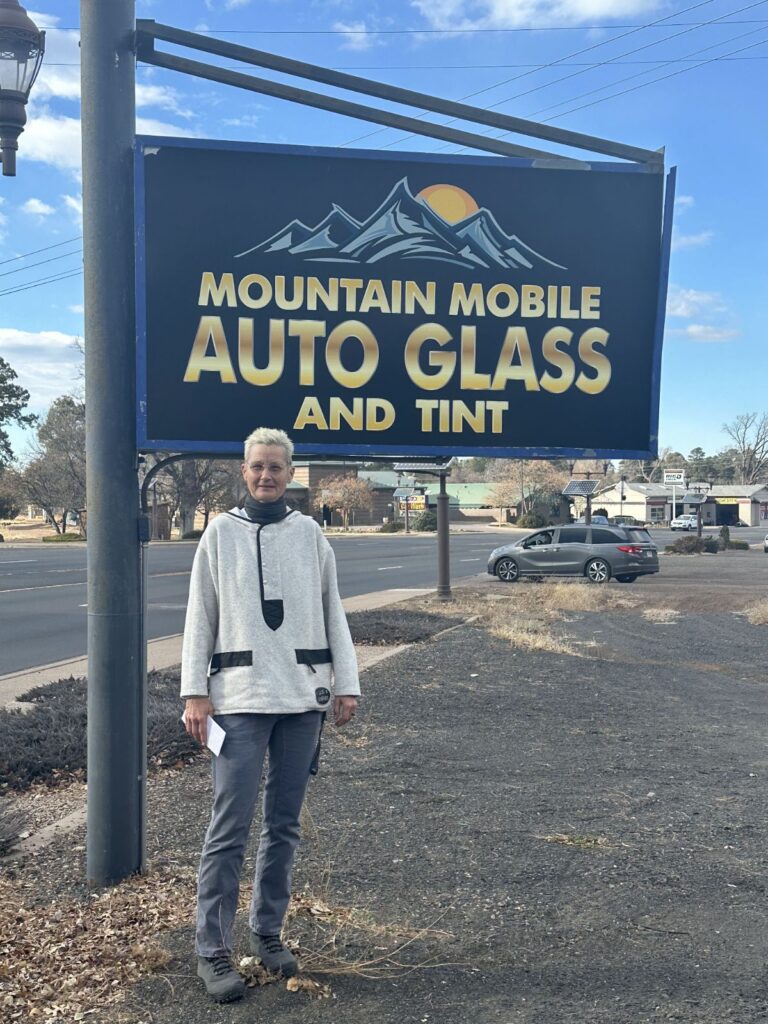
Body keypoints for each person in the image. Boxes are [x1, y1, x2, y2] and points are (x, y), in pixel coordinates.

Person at [181, 426, 360, 1003]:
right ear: (244, 469)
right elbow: (199, 616)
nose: (266, 475)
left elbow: (334, 609)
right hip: (237, 702)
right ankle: (212, 949)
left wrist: (346, 683)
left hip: (301, 699)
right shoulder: (218, 536)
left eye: (276, 467)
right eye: (257, 466)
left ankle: (267, 933)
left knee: (284, 824)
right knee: (228, 828)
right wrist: (194, 691)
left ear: (290, 472)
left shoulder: (310, 534)